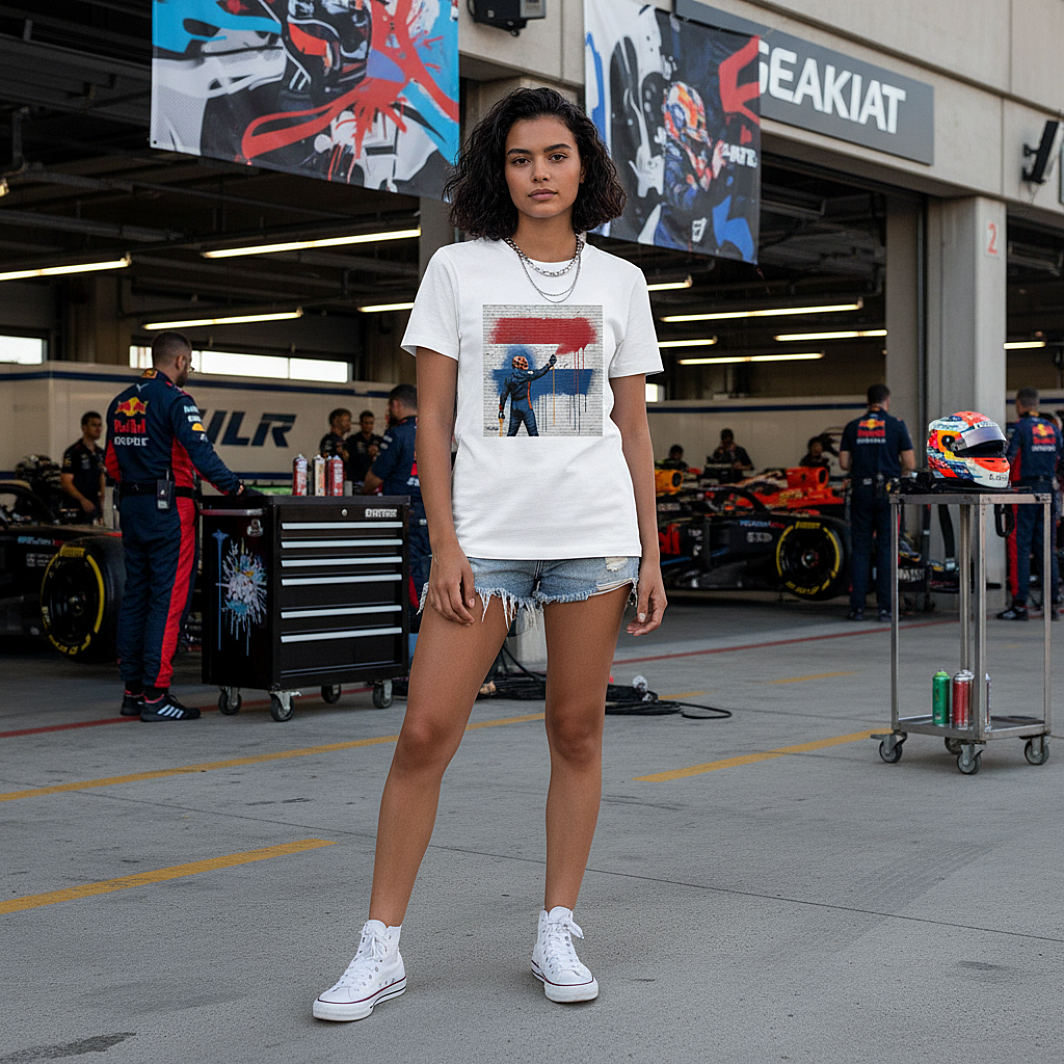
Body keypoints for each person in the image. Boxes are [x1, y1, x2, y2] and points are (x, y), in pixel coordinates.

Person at [313, 86, 666, 1023]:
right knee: (425, 732)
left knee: (577, 732)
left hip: (595, 542)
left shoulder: (621, 284)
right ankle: (379, 946)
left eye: (555, 156)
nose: (539, 174)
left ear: (583, 165)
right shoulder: (457, 271)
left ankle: (557, 924)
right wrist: (445, 543)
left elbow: (632, 430)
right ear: (496, 171)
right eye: (520, 159)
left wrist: (652, 552)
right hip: (487, 545)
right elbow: (430, 419)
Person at [105, 332, 249, 722]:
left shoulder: (120, 403)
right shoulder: (176, 401)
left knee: (136, 595)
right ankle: (157, 695)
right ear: (181, 361)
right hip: (170, 510)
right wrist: (234, 487)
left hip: (131, 508)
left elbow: (111, 466)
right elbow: (201, 453)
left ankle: (133, 691)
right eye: (190, 363)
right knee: (167, 601)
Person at [838, 384, 915, 622]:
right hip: (888, 494)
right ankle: (885, 609)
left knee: (860, 551)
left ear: (868, 400)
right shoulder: (897, 425)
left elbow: (842, 463)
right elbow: (910, 464)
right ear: (887, 401)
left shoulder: (852, 427)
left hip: (861, 491)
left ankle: (857, 608)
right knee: (886, 550)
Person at [361, 385, 428, 629]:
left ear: (397, 404)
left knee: (410, 579)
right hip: (432, 512)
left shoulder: (396, 434)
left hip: (403, 513)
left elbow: (374, 479)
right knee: (428, 573)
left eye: (390, 406)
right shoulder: (436, 429)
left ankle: (416, 639)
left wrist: (362, 491)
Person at [997, 387, 1062, 621]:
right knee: (1047, 551)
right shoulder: (1054, 429)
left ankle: (1020, 604)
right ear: (1035, 404)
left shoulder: (1019, 429)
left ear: (1018, 404)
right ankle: (1051, 605)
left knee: (1020, 550)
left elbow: (1008, 459)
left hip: (1023, 494)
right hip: (1048, 494)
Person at [60, 412, 106, 521]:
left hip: (95, 507)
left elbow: (102, 477)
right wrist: (82, 500)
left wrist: (102, 504)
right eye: (94, 425)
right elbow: (66, 481)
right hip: (76, 508)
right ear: (84, 427)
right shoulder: (74, 452)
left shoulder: (100, 453)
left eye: (100, 425)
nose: (98, 429)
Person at [348, 409, 383, 484]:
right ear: (361, 424)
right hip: (356, 478)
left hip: (373, 479)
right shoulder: (352, 440)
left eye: (371, 423)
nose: (369, 426)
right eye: (366, 423)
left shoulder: (379, 441)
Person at [319, 408, 351, 475]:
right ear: (336, 421)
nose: (349, 423)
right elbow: (326, 460)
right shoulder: (329, 440)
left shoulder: (344, 442)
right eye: (347, 420)